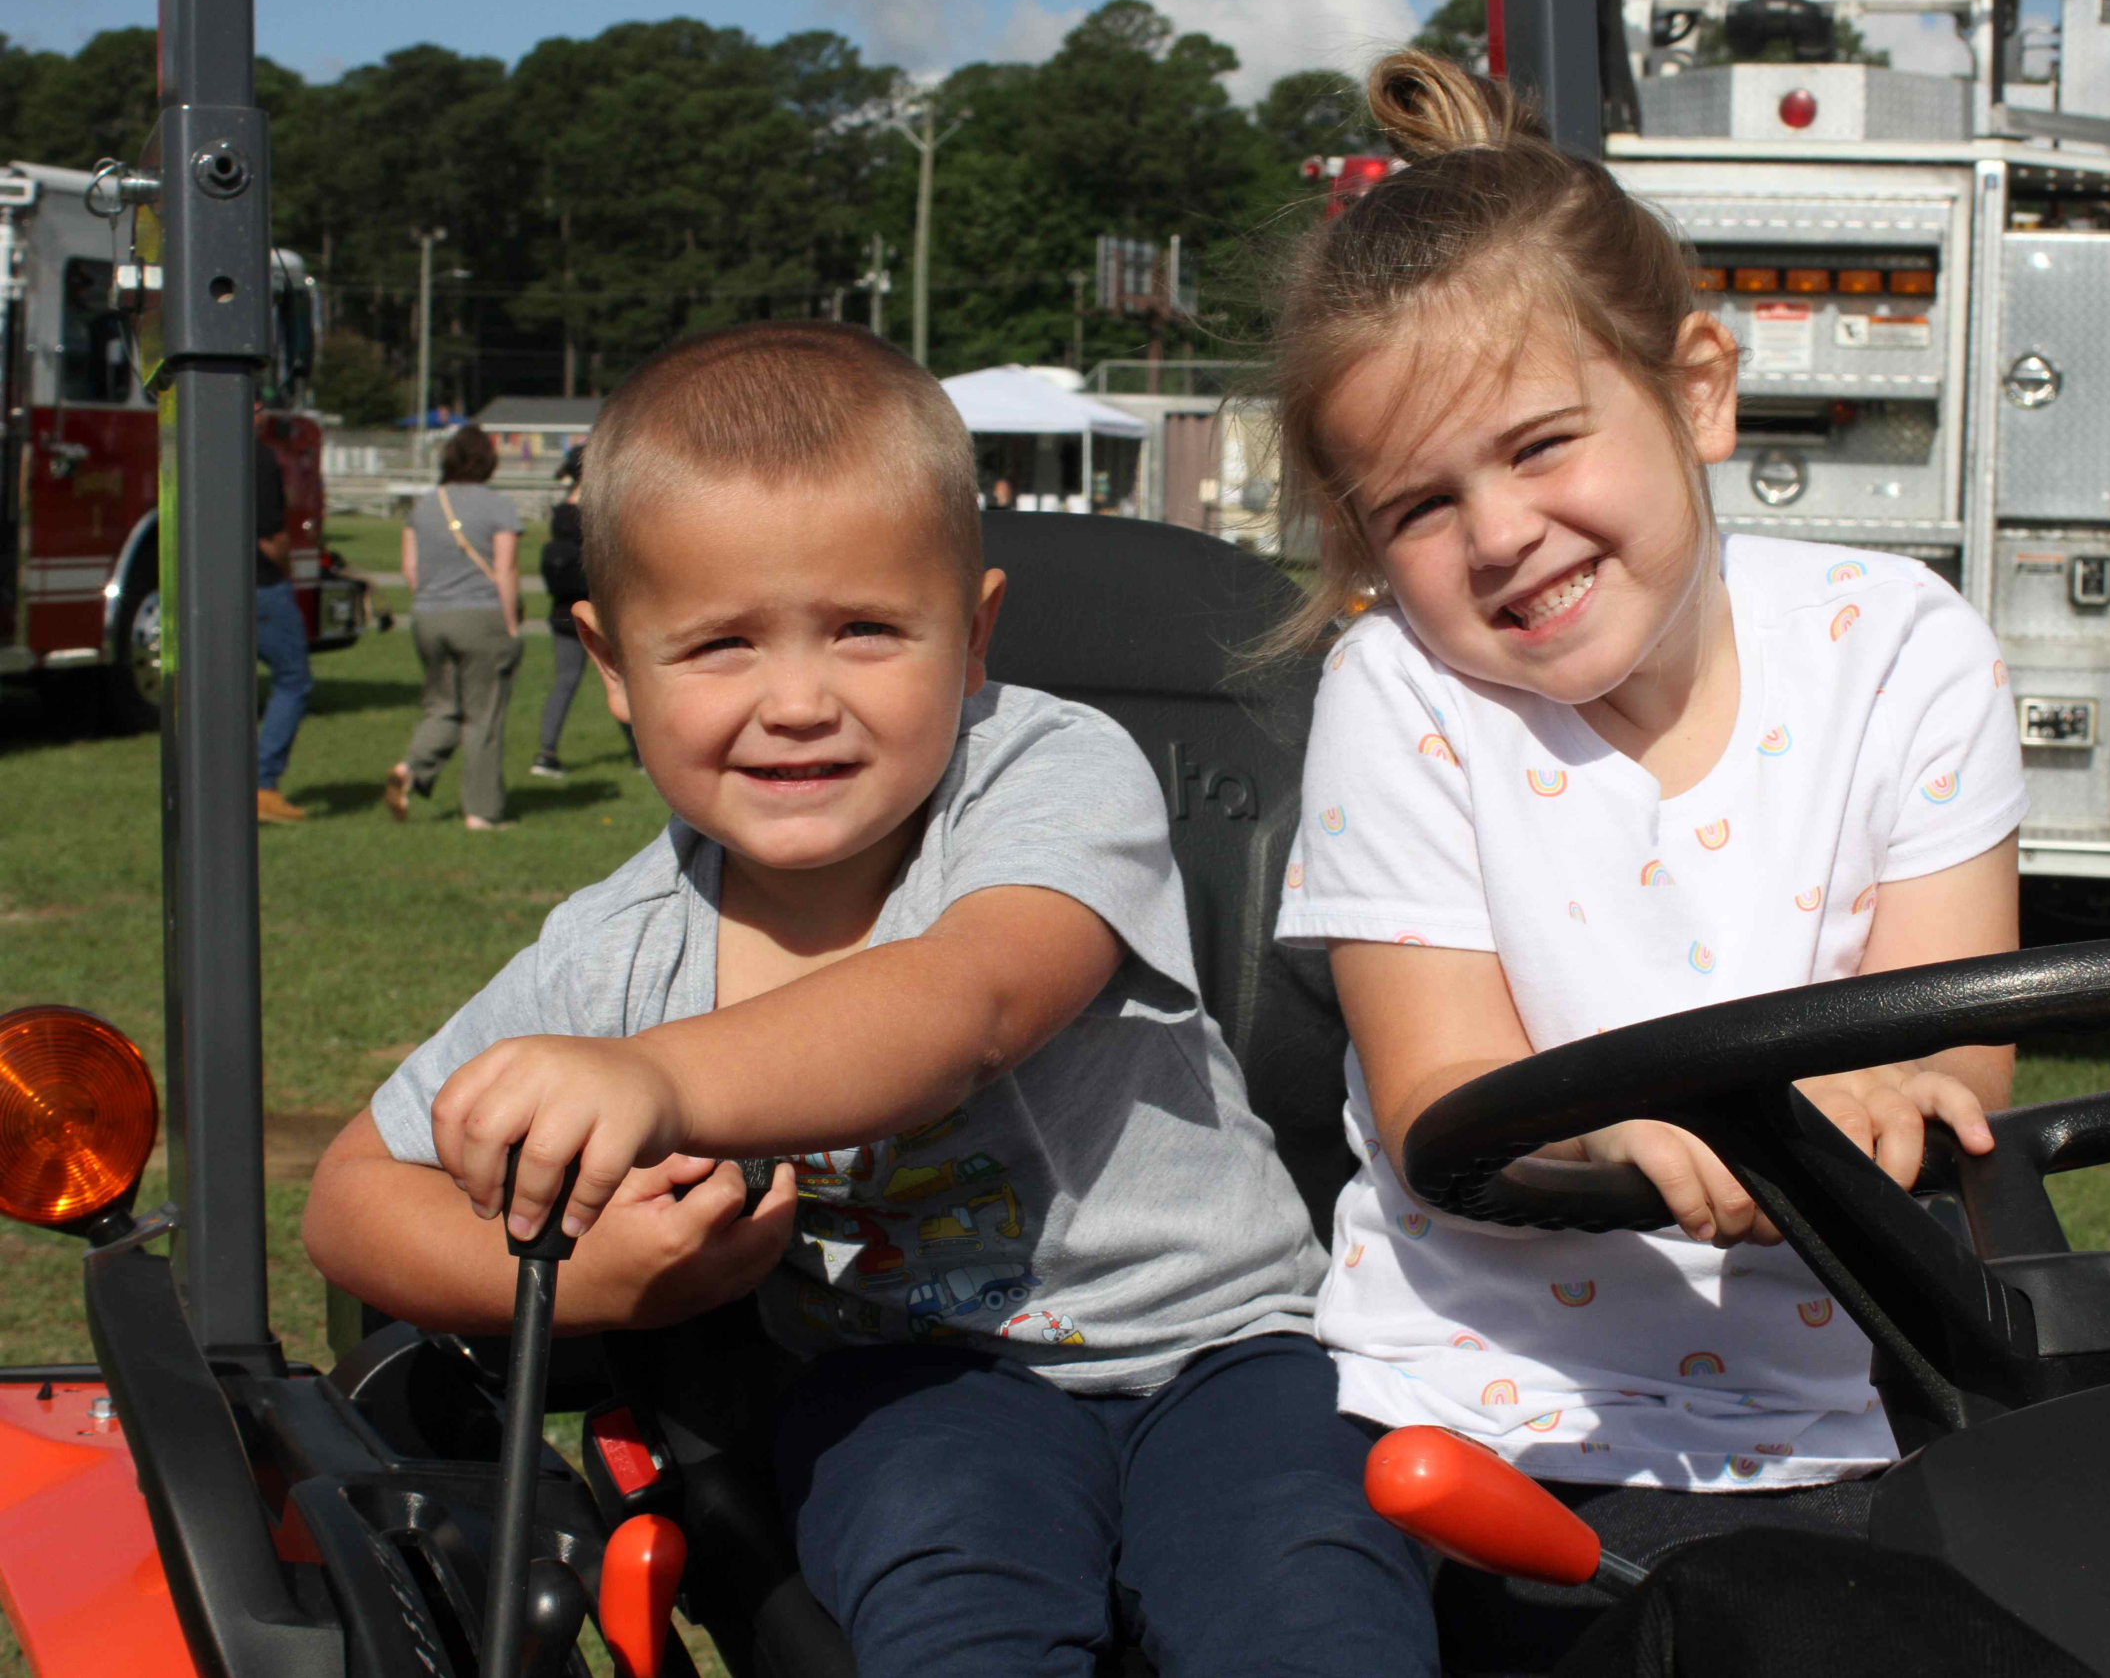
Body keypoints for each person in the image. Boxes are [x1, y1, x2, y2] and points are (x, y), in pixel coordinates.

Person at [302, 322, 1437, 1678]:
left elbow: (969, 1004)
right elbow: (351, 1193)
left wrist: (656, 1081)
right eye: (720, 642)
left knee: (1312, 1607)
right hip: (915, 1388)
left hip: (1229, 1353)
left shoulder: (1047, 773)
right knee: (948, 1600)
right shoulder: (618, 948)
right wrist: (601, 1278)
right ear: (611, 665)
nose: (798, 700)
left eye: (864, 630)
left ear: (974, 636)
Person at [1262, 54, 2027, 1662]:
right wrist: (1610, 1108)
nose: (1497, 535)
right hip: (1479, 1406)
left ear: (1696, 389)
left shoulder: (1898, 649)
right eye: (1419, 505)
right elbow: (1435, 1100)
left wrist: (1891, 1095)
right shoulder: (1399, 694)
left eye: (1541, 443)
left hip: (1861, 1391)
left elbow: (1955, 1035)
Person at [387, 424, 521, 828]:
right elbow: (506, 568)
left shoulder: (425, 505)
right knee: (484, 716)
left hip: (428, 616)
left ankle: (410, 769)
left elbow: (410, 570)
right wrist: (511, 624)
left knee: (443, 705)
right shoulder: (497, 506)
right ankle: (481, 811)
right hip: (480, 616)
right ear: (489, 462)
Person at [252, 402, 313, 824]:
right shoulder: (257, 458)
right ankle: (262, 784)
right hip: (261, 586)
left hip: (210, 589)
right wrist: (287, 569)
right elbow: (270, 536)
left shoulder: (197, 452)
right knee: (293, 680)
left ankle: (214, 786)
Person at [531, 445, 597, 778]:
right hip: (598, 610)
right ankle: (644, 757)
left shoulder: (559, 514)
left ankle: (546, 752)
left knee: (565, 681)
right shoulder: (597, 513)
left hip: (562, 610)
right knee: (624, 683)